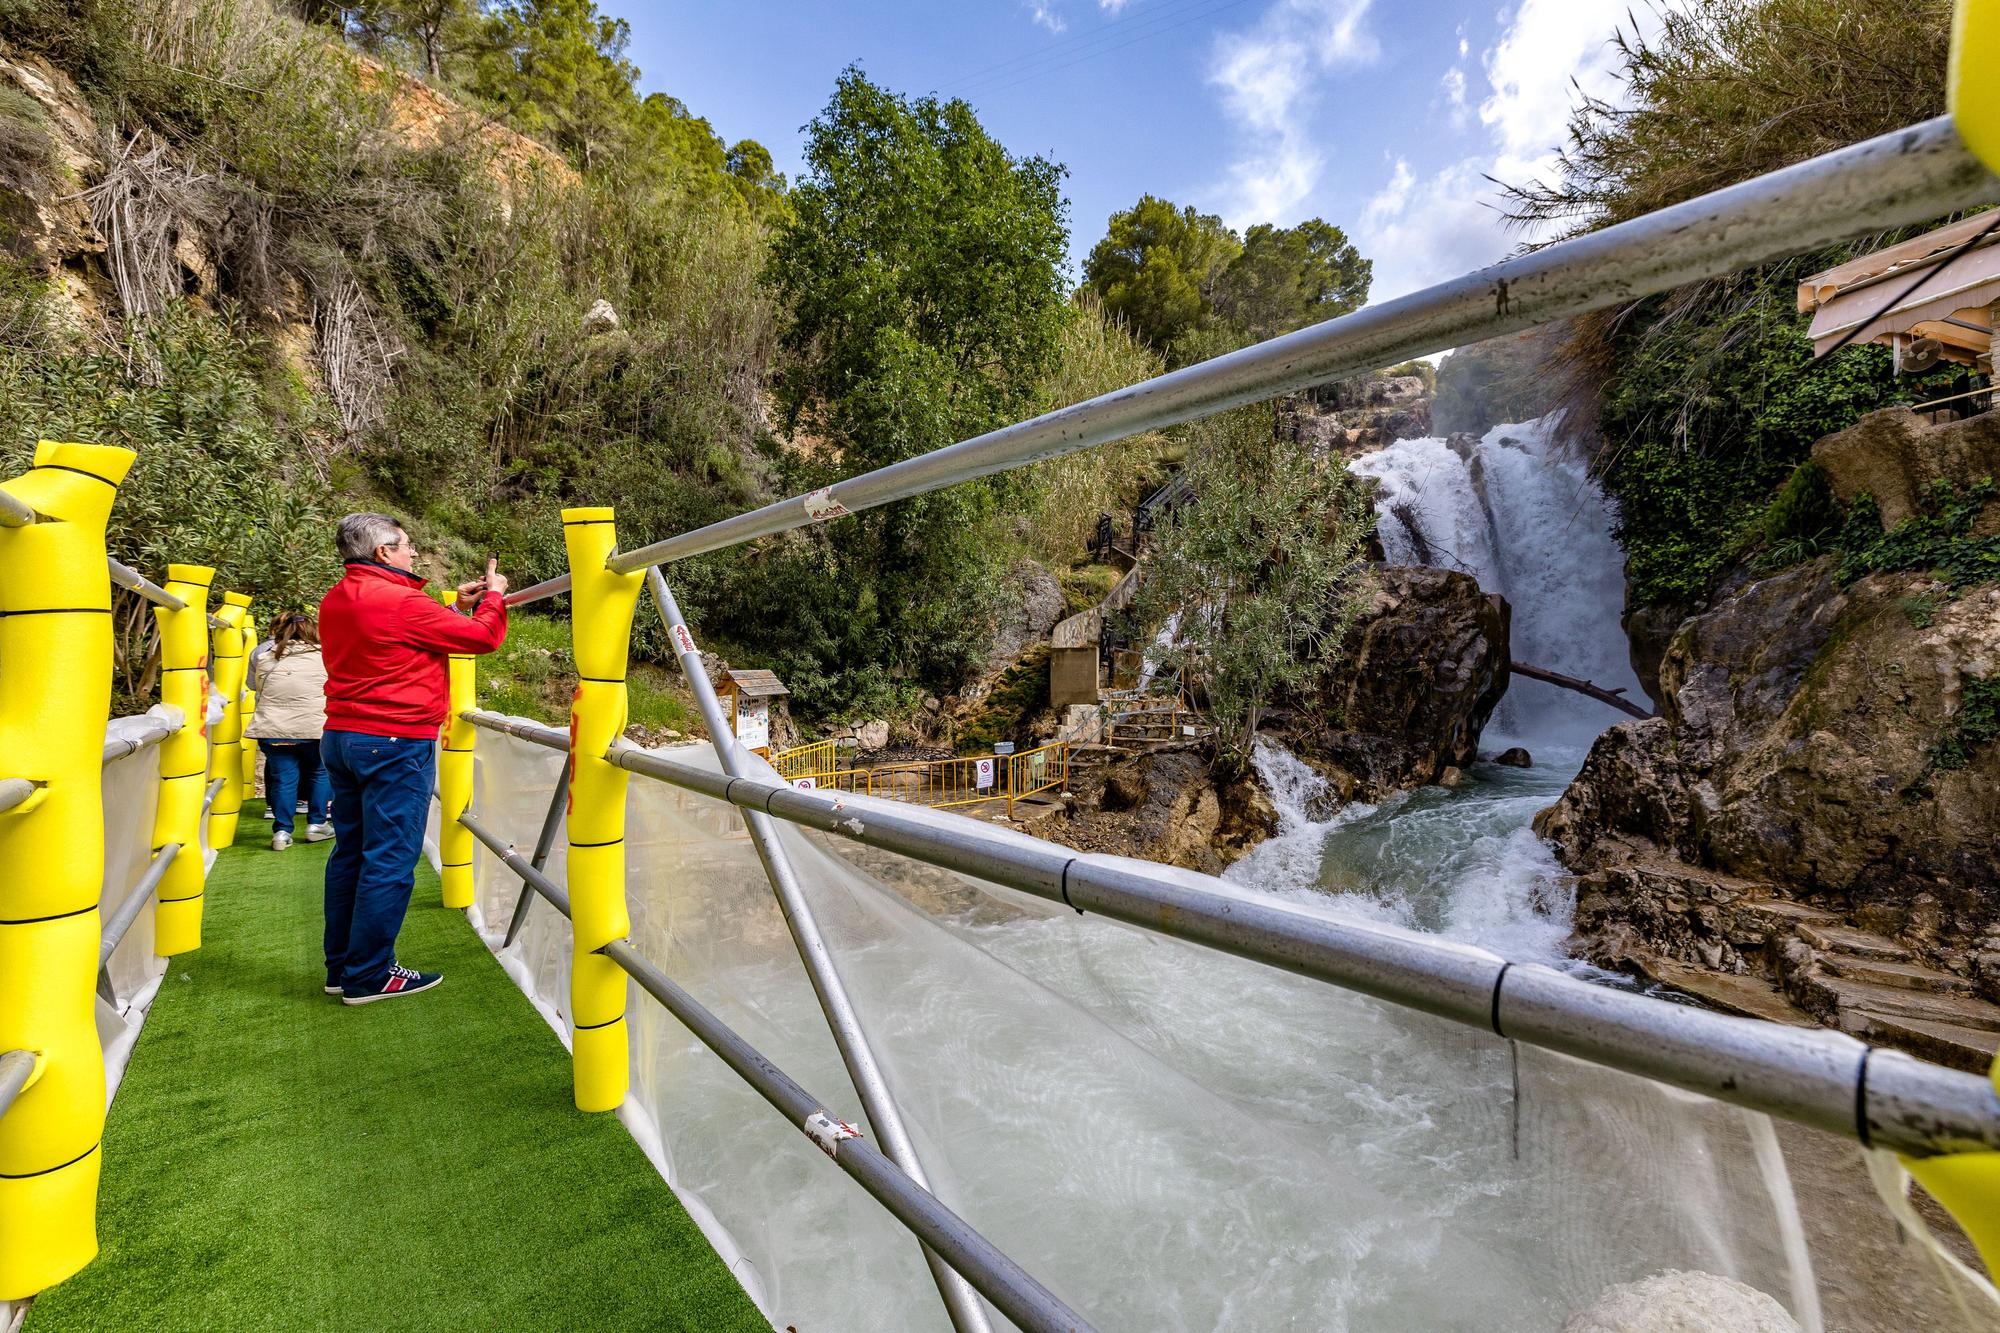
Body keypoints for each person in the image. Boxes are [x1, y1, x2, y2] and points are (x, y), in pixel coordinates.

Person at [318, 513, 508, 1005]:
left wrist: (453, 606)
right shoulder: (400, 601)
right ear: (383, 552)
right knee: (390, 858)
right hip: (394, 740)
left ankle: (342, 968)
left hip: (341, 736)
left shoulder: (338, 597)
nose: (415, 554)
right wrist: (493, 597)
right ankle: (370, 975)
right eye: (407, 547)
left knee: (351, 854)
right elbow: (482, 638)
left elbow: (404, 638)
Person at [245, 612, 333, 851]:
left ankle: (282, 832)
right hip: (314, 727)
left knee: (283, 778)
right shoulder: (325, 657)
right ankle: (317, 825)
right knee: (319, 772)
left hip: (273, 728)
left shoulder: (264, 657)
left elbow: (254, 687)